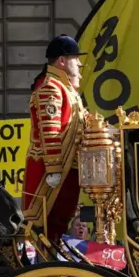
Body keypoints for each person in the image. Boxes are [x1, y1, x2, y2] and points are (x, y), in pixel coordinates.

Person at [22, 34, 87, 243]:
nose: (79, 62)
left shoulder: (67, 88)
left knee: (60, 222)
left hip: (69, 168)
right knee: (47, 224)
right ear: (62, 60)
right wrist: (53, 169)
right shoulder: (51, 87)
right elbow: (49, 130)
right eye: (75, 58)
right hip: (52, 173)